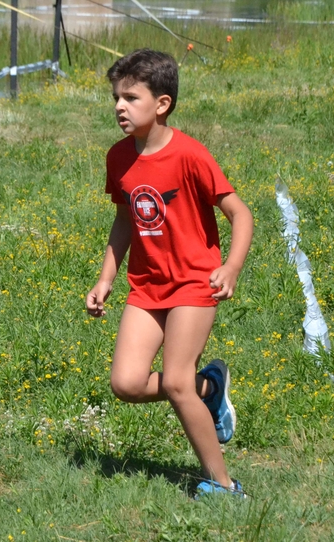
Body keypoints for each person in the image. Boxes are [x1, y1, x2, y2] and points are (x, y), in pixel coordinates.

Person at [85, 49, 254, 498]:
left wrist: (231, 267)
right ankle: (210, 388)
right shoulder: (118, 158)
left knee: (176, 382)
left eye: (131, 98)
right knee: (126, 384)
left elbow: (240, 213)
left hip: (195, 281)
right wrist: (106, 278)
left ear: (162, 104)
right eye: (116, 98)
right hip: (147, 286)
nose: (120, 107)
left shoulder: (190, 155)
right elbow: (125, 219)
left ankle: (224, 486)